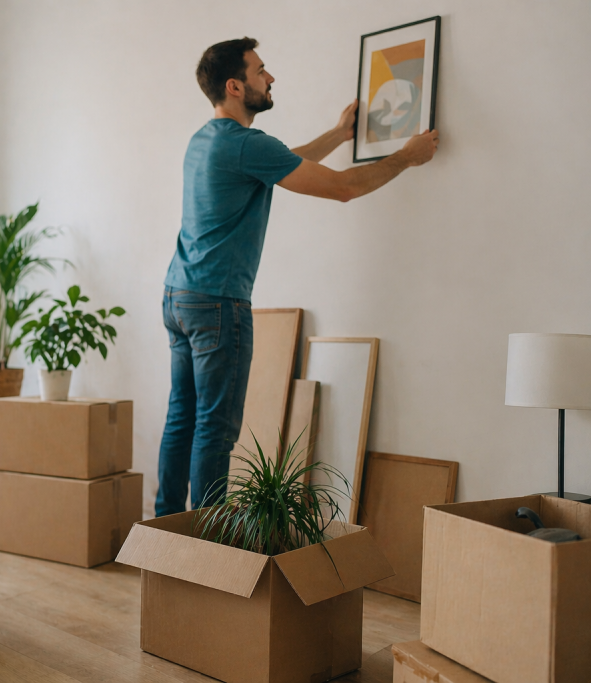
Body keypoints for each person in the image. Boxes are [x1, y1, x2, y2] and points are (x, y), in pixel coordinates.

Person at [156, 37, 439, 517]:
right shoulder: (245, 145)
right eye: (260, 70)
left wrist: (338, 134)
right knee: (214, 430)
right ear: (235, 86)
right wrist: (406, 157)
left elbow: (285, 160)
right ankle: (207, 543)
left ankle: (162, 533)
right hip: (218, 303)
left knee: (182, 419)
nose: (270, 78)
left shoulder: (206, 139)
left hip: (179, 295)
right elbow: (344, 188)